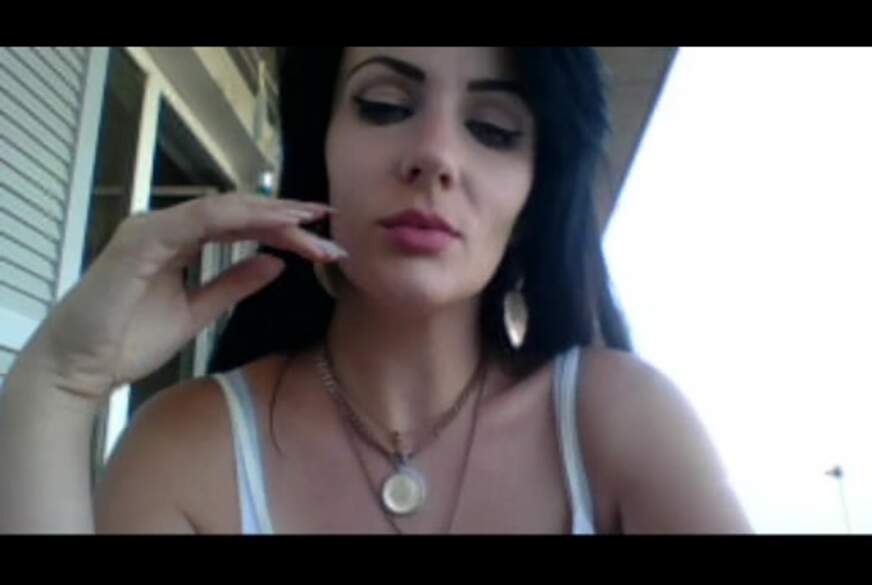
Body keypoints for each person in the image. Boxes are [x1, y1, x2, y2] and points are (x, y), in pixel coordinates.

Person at [0, 47, 752, 534]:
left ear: (533, 201)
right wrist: (58, 383)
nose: (435, 154)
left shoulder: (617, 424)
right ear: (319, 149)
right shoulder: (189, 448)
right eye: (385, 106)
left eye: (493, 128)